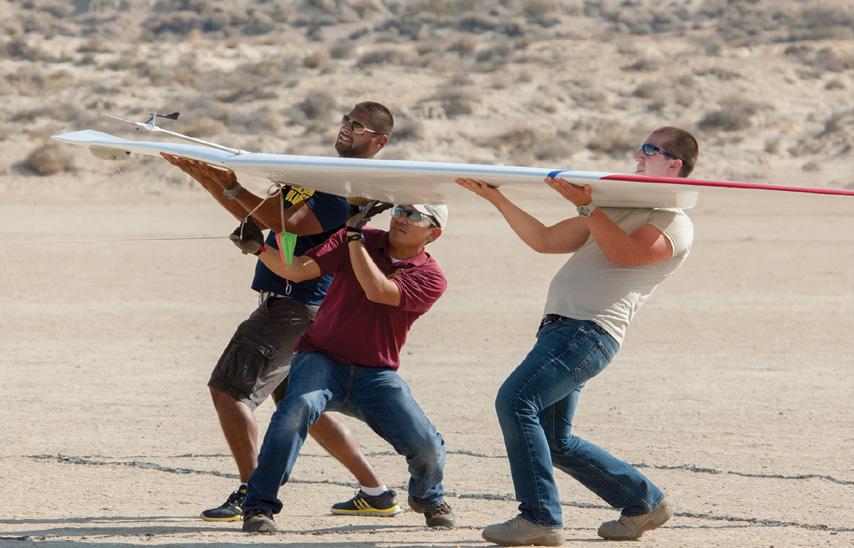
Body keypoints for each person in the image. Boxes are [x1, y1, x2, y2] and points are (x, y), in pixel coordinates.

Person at [161, 101, 402, 521]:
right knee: (301, 405)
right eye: (346, 120)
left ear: (379, 141)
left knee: (229, 391)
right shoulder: (318, 176)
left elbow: (284, 222)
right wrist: (208, 178)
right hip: (301, 308)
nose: (347, 127)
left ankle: (252, 492)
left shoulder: (343, 187)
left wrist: (229, 185)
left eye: (359, 126)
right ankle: (376, 492)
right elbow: (262, 218)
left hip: (293, 308)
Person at [457, 127, 699, 545]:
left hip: (588, 330)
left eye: (649, 150)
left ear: (674, 164)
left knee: (515, 401)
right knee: (555, 440)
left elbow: (627, 253)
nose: (638, 156)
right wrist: (497, 199)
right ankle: (643, 503)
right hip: (563, 330)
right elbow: (546, 239)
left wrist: (588, 206)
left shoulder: (674, 222)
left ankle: (539, 518)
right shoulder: (617, 207)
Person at [229, 202, 455, 533]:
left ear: (433, 234)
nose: (401, 219)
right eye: (399, 210)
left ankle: (427, 497)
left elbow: (378, 290)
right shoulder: (359, 237)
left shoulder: (431, 277)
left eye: (414, 215)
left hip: (376, 374)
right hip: (321, 358)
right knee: (294, 412)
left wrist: (353, 238)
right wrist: (259, 249)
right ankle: (259, 506)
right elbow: (299, 270)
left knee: (427, 445)